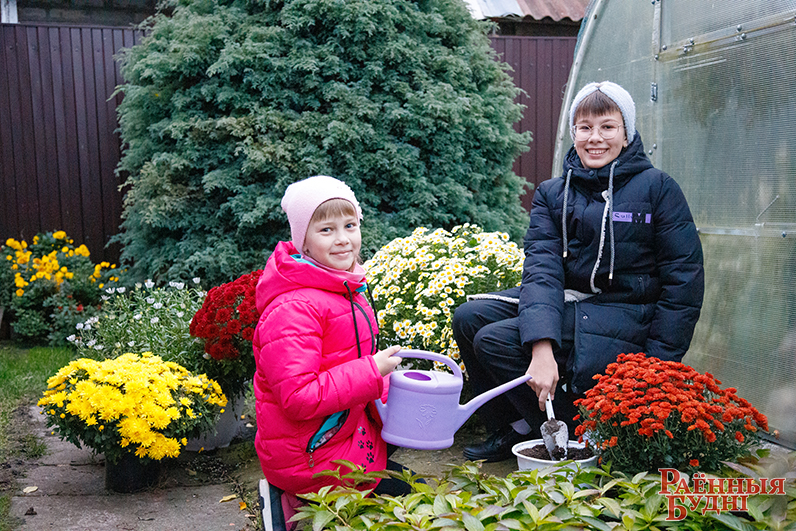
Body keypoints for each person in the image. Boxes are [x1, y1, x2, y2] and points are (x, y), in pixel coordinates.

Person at [453, 81, 705, 462]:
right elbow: (542, 269)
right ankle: (515, 427)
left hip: (628, 313)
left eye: (608, 126)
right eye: (584, 127)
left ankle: (580, 434)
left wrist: (655, 368)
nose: (595, 138)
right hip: (573, 303)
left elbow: (684, 280)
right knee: (469, 318)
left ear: (626, 133)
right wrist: (541, 346)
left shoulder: (657, 189)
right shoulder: (554, 193)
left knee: (495, 341)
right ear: (574, 133)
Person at [253, 175, 410, 528]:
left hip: (342, 430)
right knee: (410, 502)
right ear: (303, 242)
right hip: (308, 453)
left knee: (411, 482)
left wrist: (395, 391)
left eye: (350, 225)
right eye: (326, 230)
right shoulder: (294, 308)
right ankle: (290, 500)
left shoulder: (344, 287)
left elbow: (349, 364)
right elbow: (297, 397)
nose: (342, 239)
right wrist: (372, 371)